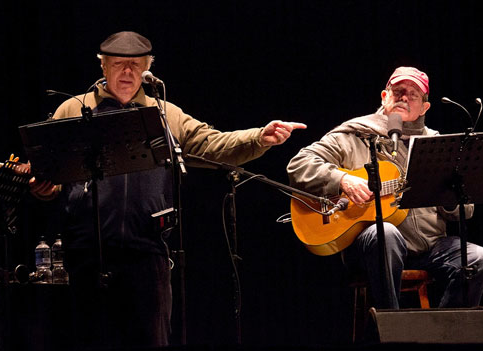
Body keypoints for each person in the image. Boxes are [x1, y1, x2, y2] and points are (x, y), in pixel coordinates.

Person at [29, 31, 306, 350]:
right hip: (87, 252)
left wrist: (260, 137)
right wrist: (43, 188)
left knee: (150, 339)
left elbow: (209, 144)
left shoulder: (164, 113)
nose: (128, 72)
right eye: (119, 64)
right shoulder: (73, 110)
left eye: (136, 65)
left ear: (147, 69)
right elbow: (48, 177)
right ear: (103, 67)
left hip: (146, 252)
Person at [286, 66, 483, 309]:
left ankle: (443, 332)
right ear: (384, 97)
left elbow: (464, 210)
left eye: (413, 94)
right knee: (386, 233)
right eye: (397, 91)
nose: (404, 97)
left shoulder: (436, 145)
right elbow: (299, 165)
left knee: (482, 260)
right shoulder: (354, 134)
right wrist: (343, 180)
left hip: (429, 245)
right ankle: (391, 328)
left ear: (425, 107)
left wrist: (447, 194)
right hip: (371, 246)